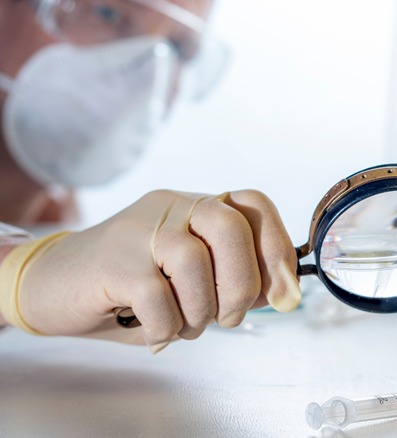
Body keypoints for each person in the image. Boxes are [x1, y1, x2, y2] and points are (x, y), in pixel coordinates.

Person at [0, 0, 301, 353]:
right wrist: (18, 274)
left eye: (179, 48)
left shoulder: (55, 218)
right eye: (108, 14)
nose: (146, 71)